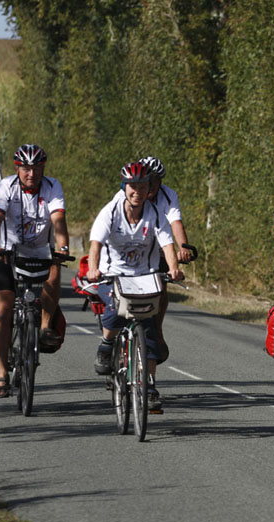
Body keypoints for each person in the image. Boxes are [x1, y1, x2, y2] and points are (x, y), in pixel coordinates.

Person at [87, 162, 182, 412]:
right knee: (114, 313)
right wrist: (93, 268)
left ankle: (149, 386)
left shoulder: (154, 213)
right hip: (114, 274)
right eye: (132, 186)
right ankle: (107, 344)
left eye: (142, 186)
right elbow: (96, 242)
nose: (137, 191)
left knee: (149, 331)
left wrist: (173, 268)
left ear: (148, 187)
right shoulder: (111, 211)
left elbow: (166, 243)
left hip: (145, 276)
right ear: (124, 187)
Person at [0, 144, 69, 398]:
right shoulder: (6, 187)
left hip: (40, 252)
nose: (31, 173)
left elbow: (58, 221)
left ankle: (44, 326)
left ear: (43, 168)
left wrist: (62, 246)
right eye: (26, 168)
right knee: (2, 310)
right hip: (8, 253)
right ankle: (2, 373)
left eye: (36, 168)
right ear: (17, 169)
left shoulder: (52, 186)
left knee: (55, 270)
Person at [138, 156, 192, 356]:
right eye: (148, 180)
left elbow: (175, 222)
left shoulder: (168, 195)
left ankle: (156, 329)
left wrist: (183, 247)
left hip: (159, 245)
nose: (151, 186)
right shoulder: (131, 193)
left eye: (156, 181)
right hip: (133, 246)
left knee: (162, 284)